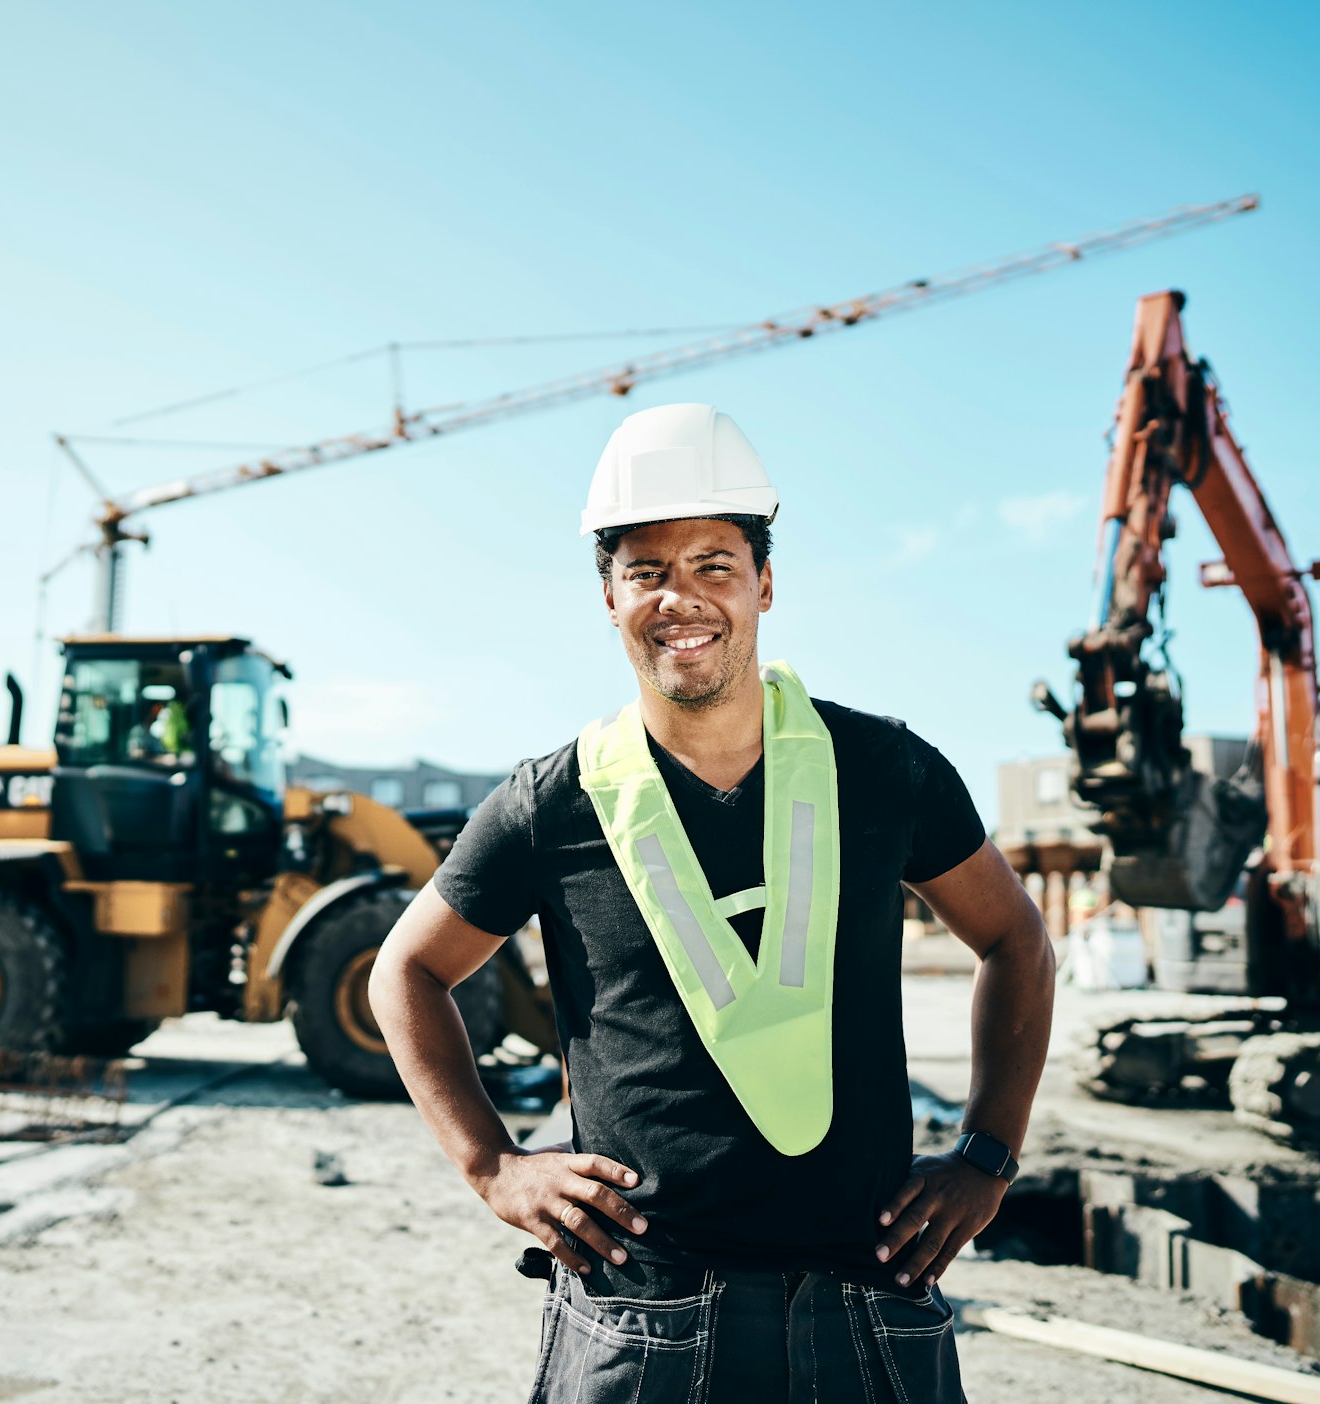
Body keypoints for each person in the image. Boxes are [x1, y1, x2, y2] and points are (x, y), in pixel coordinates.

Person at [370, 403, 1055, 1403]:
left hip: (864, 1302)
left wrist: (986, 1156)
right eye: (645, 571)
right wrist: (492, 1167)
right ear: (607, 596)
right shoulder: (548, 802)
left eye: (711, 564)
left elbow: (1014, 940)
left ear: (764, 584)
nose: (679, 598)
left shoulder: (886, 770)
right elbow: (407, 970)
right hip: (640, 1314)